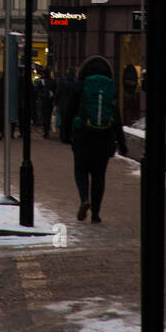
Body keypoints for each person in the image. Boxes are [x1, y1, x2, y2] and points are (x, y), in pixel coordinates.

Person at [63, 55, 128, 224]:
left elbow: (69, 111)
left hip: (83, 136)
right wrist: (122, 143)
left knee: (81, 170)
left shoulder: (80, 86)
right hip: (104, 138)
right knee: (99, 176)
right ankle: (96, 214)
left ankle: (84, 198)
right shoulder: (110, 88)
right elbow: (117, 117)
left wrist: (65, 134)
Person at [56, 67, 76, 142]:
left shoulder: (63, 81)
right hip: (71, 105)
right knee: (69, 121)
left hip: (63, 104)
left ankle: (63, 136)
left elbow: (58, 92)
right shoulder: (74, 81)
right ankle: (68, 136)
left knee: (63, 121)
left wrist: (56, 102)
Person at [39, 67, 57, 138]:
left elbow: (38, 89)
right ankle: (47, 131)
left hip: (44, 99)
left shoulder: (42, 80)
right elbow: (55, 90)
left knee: (44, 115)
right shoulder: (53, 81)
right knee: (49, 116)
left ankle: (45, 131)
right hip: (50, 100)